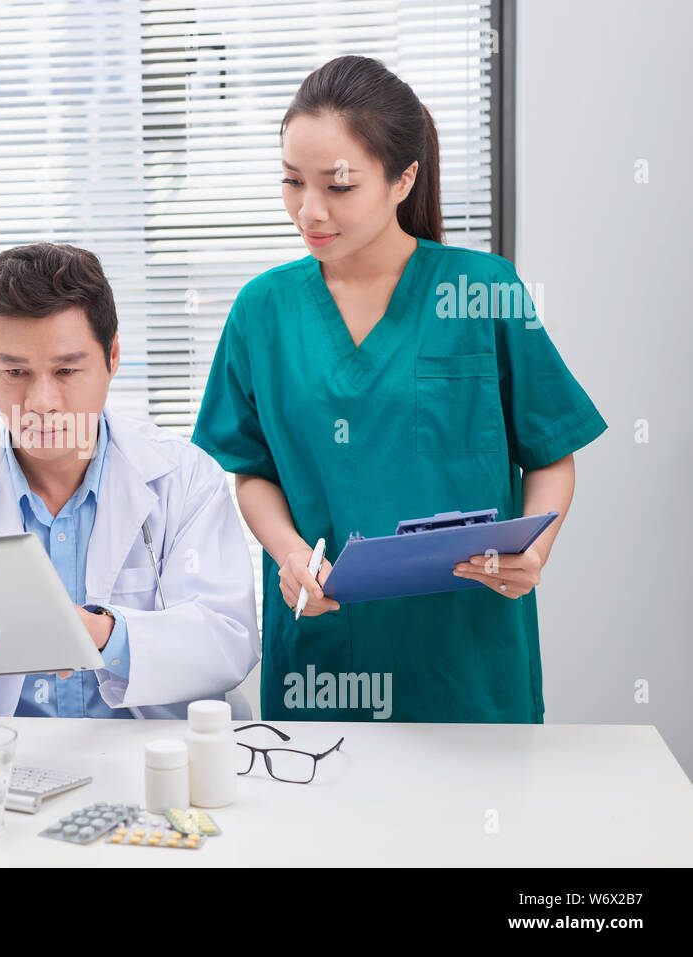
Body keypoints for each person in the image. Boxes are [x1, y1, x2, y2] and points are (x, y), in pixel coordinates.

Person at [191, 56, 606, 724]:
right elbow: (251, 472)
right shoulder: (261, 312)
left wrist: (536, 550)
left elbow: (551, 450)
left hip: (469, 662)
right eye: (293, 181)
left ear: (402, 178)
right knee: (326, 822)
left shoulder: (483, 291)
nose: (309, 210)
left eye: (338, 186)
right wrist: (292, 556)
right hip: (326, 660)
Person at [0, 242, 259, 727]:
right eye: (15, 372)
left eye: (66, 370)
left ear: (113, 355)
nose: (41, 401)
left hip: (154, 763)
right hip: (8, 771)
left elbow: (228, 643)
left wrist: (101, 634)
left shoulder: (186, 480)